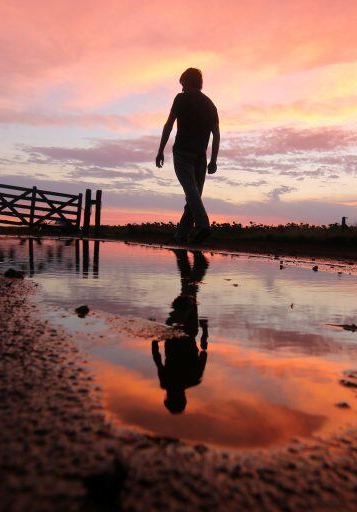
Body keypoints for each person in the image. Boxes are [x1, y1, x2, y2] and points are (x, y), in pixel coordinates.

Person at [155, 68, 220, 244]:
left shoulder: (181, 99)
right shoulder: (210, 104)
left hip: (183, 153)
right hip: (201, 156)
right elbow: (216, 135)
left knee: (192, 193)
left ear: (188, 82)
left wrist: (161, 150)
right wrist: (213, 160)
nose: (181, 88)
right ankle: (181, 235)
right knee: (194, 194)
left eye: (183, 84)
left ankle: (203, 225)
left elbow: (168, 125)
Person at [152, 250, 210, 414]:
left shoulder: (193, 379)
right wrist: (156, 337)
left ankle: (192, 262)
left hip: (179, 331)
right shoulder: (173, 382)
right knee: (188, 293)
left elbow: (204, 352)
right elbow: (203, 351)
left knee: (189, 293)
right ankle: (188, 261)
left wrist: (156, 334)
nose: (169, 393)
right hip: (178, 330)